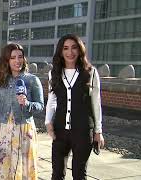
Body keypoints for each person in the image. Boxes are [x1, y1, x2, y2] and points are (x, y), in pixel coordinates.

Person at [45, 34, 105, 180]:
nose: (70, 52)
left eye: (74, 48)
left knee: (79, 174)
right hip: (59, 131)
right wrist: (48, 122)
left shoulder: (90, 72)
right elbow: (52, 100)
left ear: (80, 50)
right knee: (57, 174)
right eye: (65, 48)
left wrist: (98, 131)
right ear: (60, 51)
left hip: (83, 132)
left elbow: (96, 103)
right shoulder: (54, 73)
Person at [0, 43, 44, 179]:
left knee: (23, 172)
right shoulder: (1, 81)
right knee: (4, 171)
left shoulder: (32, 80)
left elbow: (40, 106)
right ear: (7, 60)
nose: (17, 61)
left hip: (25, 131)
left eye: (20, 57)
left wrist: (28, 103)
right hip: (4, 131)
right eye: (13, 58)